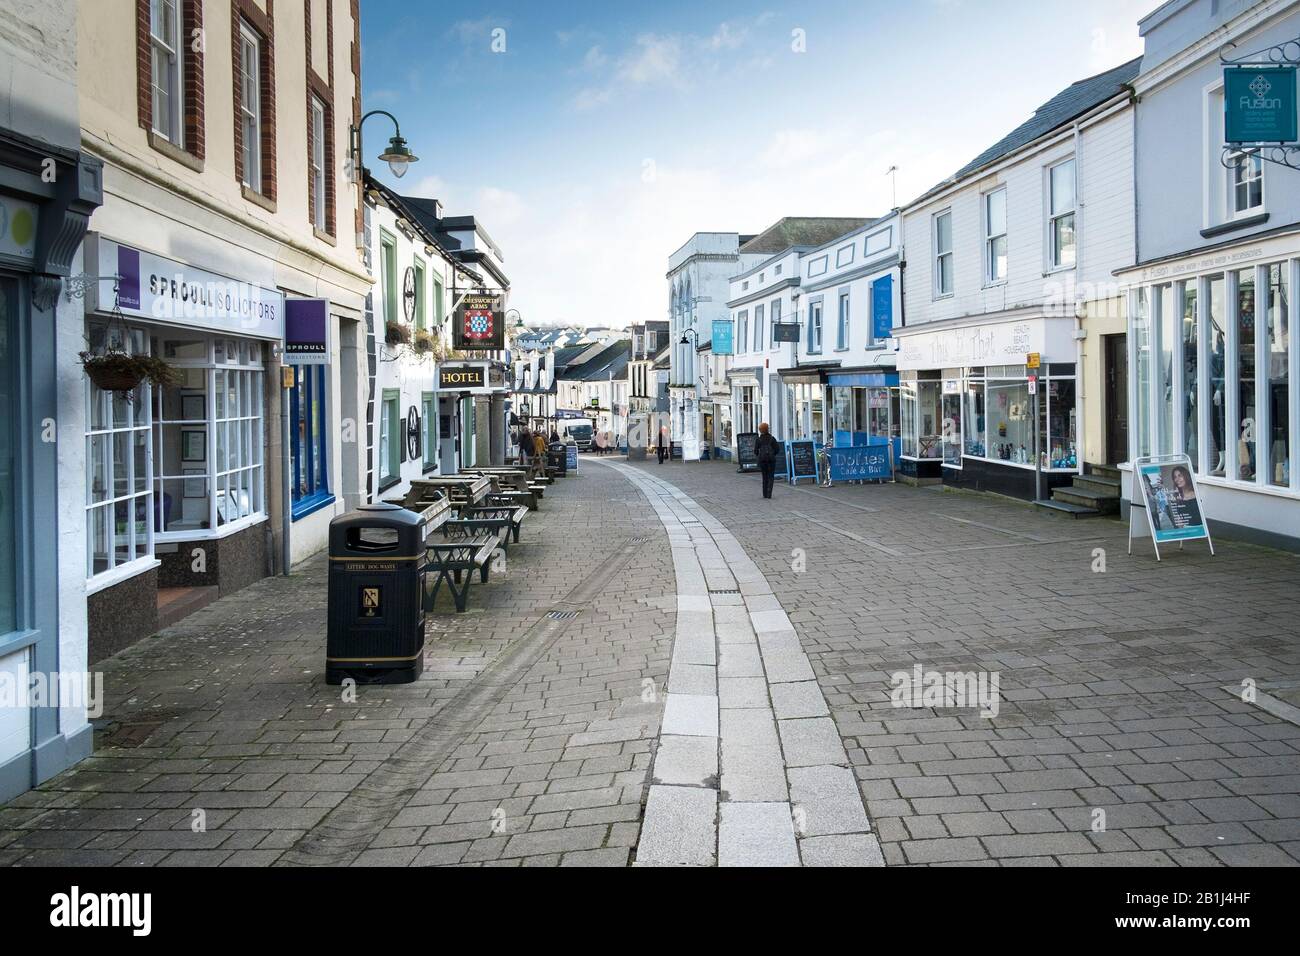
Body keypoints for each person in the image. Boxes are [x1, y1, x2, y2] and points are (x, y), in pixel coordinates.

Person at [755, 422, 780, 499]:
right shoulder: (772, 439)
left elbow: (755, 451)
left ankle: (764, 494)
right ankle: (769, 494)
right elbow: (777, 449)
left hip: (762, 461)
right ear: (767, 429)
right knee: (771, 477)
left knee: (764, 477)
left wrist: (760, 455)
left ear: (760, 430)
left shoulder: (758, 440)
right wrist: (772, 455)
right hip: (771, 461)